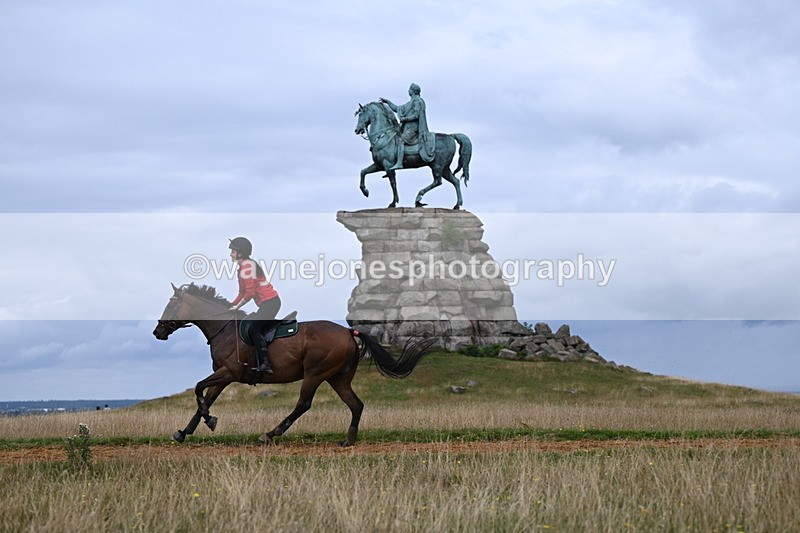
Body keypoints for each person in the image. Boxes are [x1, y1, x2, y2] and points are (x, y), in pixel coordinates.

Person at [228, 237, 281, 374]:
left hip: (271, 303)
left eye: (233, 252)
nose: (230, 254)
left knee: (253, 329)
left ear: (241, 253)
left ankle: (265, 364)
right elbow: (242, 292)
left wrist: (237, 307)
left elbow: (250, 293)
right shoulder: (242, 269)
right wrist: (230, 305)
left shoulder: (247, 267)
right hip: (267, 304)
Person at [379, 82, 431, 170]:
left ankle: (399, 163)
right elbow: (397, 108)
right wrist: (388, 102)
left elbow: (416, 115)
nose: (408, 91)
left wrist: (405, 119)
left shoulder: (418, 101)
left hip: (413, 128)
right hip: (406, 128)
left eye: (409, 89)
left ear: (413, 91)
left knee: (400, 140)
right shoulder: (410, 103)